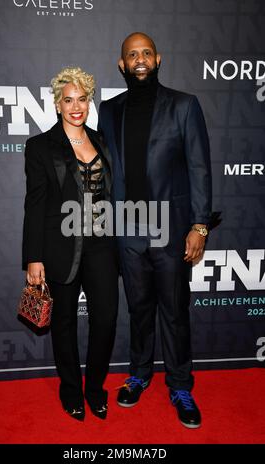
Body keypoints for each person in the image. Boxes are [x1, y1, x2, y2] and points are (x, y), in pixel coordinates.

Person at [98, 33, 212, 428]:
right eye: (132, 54)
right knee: (139, 309)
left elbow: (199, 168)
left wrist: (199, 225)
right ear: (122, 64)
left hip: (171, 229)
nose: (140, 59)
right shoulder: (108, 110)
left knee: (175, 312)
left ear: (158, 59)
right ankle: (140, 373)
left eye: (146, 53)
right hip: (127, 231)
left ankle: (180, 385)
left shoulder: (184, 106)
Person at [22, 67, 118, 421]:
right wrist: (33, 258)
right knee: (63, 323)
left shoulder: (104, 141)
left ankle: (94, 389)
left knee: (105, 319)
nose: (76, 106)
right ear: (58, 104)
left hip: (103, 247)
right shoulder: (40, 146)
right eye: (68, 100)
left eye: (82, 99)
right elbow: (34, 204)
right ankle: (71, 390)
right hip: (60, 247)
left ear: (89, 101)